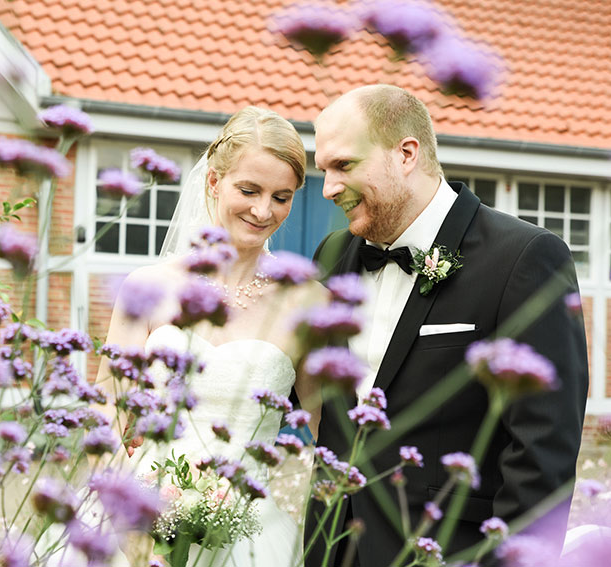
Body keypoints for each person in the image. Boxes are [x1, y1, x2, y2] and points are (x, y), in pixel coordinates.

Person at [306, 84, 589, 567]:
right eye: (324, 169)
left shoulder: (524, 258)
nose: (329, 187)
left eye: (344, 165)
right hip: (333, 548)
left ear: (406, 154)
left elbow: (544, 452)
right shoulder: (332, 257)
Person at [98, 106, 326, 566]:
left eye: (281, 197)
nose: (263, 211)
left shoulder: (309, 302)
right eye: (249, 190)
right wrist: (131, 530)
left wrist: (302, 501)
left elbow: (326, 432)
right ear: (214, 182)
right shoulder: (149, 287)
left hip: (253, 534)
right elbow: (103, 413)